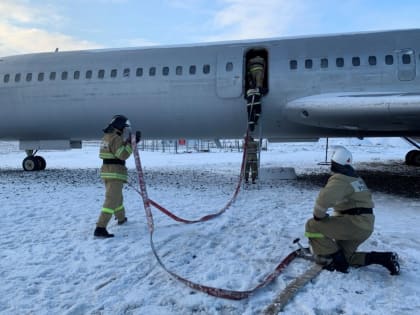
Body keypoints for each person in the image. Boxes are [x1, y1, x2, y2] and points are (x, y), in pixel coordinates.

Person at [304, 146, 400, 275]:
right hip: (364, 225)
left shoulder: (340, 178)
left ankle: (334, 261)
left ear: (333, 162)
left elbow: (323, 200)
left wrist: (318, 216)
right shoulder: (356, 179)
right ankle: (384, 258)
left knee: (312, 226)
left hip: (353, 223)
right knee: (346, 257)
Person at [94, 115, 140, 238]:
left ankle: (121, 218)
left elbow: (114, 151)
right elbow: (122, 155)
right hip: (115, 173)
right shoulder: (116, 138)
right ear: (119, 127)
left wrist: (127, 141)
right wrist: (131, 144)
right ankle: (100, 228)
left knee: (117, 199)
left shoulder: (107, 137)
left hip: (107, 173)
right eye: (124, 128)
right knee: (111, 201)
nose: (124, 131)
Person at [246, 55, 266, 131]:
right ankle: (255, 122)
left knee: (250, 115)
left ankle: (251, 126)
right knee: (258, 112)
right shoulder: (258, 89)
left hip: (249, 104)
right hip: (256, 103)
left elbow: (245, 96)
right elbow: (263, 90)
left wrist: (248, 72)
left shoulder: (248, 91)